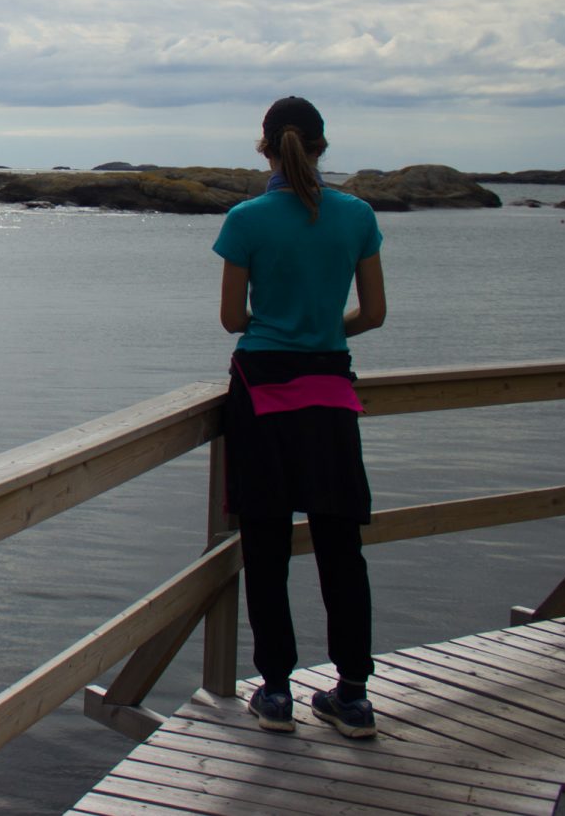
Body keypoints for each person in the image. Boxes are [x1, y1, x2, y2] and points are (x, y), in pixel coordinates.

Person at [212, 96, 387, 739]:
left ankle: (278, 692)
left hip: (261, 390)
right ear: (322, 147)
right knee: (342, 547)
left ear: (265, 148)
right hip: (329, 390)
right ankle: (354, 695)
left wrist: (280, 330)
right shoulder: (358, 216)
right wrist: (319, 331)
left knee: (266, 547)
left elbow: (234, 320)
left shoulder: (246, 219)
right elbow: (372, 315)